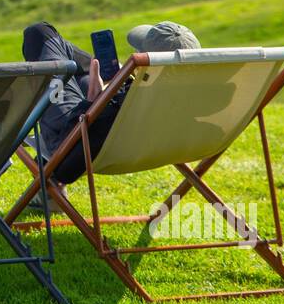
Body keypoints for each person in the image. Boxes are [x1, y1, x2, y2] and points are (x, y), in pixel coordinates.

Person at [21, 21, 200, 207]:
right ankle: (114, 72)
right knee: (89, 72)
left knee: (39, 34)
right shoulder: (192, 103)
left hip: (72, 142)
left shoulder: (122, 106)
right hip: (146, 142)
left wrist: (92, 103)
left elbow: (68, 152)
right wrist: (121, 83)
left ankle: (51, 192)